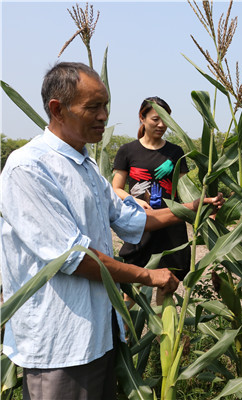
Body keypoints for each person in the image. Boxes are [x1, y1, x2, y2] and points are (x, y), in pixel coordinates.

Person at [0, 62, 200, 400]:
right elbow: (74, 258)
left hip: (100, 336)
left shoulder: (86, 164)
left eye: (105, 105)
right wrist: (148, 276)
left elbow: (130, 218)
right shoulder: (29, 168)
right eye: (93, 107)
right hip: (61, 345)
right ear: (57, 109)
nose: (104, 115)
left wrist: (191, 209)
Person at [112, 97, 223, 298]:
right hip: (142, 225)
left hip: (171, 227)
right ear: (142, 118)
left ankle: (163, 328)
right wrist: (134, 200)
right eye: (156, 119)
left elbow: (185, 189)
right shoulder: (127, 151)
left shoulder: (175, 152)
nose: (162, 125)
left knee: (168, 285)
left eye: (166, 120)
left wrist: (208, 204)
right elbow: (116, 188)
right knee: (132, 291)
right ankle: (127, 330)